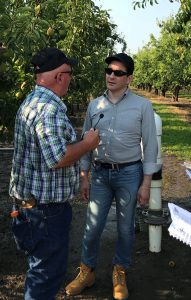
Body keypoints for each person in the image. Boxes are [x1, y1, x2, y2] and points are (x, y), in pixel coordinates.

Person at [65, 53, 158, 300]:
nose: (111, 76)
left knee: (126, 229)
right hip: (100, 174)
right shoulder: (95, 105)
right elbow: (85, 142)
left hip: (129, 173)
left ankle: (120, 271)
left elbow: (150, 147)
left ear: (129, 78)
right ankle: (87, 271)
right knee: (92, 226)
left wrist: (146, 183)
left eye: (118, 72)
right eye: (108, 71)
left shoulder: (142, 106)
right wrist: (84, 175)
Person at [9, 47, 100, 300]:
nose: (71, 79)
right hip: (45, 214)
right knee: (46, 278)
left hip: (29, 209)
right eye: (69, 74)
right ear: (60, 76)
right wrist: (88, 143)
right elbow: (58, 158)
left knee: (39, 271)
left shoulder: (30, 101)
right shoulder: (49, 110)